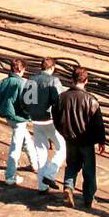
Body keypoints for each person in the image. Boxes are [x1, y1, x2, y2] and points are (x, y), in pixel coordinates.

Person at [52, 67, 107, 210]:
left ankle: (68, 186)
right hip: (86, 141)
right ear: (86, 81)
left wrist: (64, 132)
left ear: (72, 80)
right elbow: (98, 123)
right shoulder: (91, 100)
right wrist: (101, 140)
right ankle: (88, 199)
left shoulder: (61, 97)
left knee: (71, 165)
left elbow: (56, 118)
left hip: (70, 139)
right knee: (89, 170)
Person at [0, 58, 35, 185]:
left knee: (27, 140)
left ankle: (34, 164)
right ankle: (10, 176)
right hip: (19, 119)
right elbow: (29, 105)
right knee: (15, 147)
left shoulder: (3, 82)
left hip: (9, 118)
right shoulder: (23, 84)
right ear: (22, 70)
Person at [25, 57, 66, 191]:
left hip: (36, 120)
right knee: (62, 148)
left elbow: (25, 99)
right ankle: (49, 174)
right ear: (52, 68)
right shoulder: (54, 81)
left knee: (40, 151)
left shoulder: (31, 79)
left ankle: (42, 187)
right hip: (50, 120)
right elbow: (59, 102)